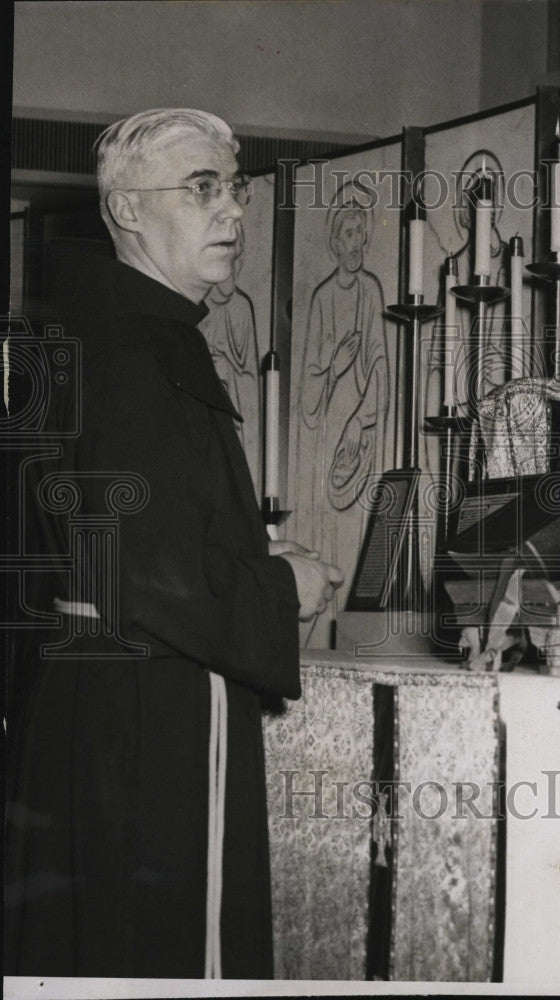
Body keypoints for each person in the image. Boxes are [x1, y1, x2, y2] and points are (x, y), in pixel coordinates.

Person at [4, 108, 343, 979]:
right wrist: (281, 587)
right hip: (156, 701)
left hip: (99, 697)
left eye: (233, 188)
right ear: (126, 211)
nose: (232, 211)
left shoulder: (104, 329)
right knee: (173, 948)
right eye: (202, 189)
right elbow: (144, 566)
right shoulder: (132, 348)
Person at [297, 192, 389, 638]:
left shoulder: (371, 290)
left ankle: (350, 633)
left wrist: (361, 418)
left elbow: (379, 363)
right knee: (327, 535)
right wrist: (332, 366)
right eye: (348, 234)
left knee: (357, 535)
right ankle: (322, 628)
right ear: (334, 241)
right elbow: (307, 393)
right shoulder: (320, 298)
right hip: (328, 437)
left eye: (361, 234)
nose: (356, 243)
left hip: (360, 435)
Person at [200, 223, 262, 500]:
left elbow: (249, 379)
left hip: (236, 413)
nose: (232, 271)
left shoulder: (241, 308)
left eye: (237, 260)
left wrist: (229, 373)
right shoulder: (198, 309)